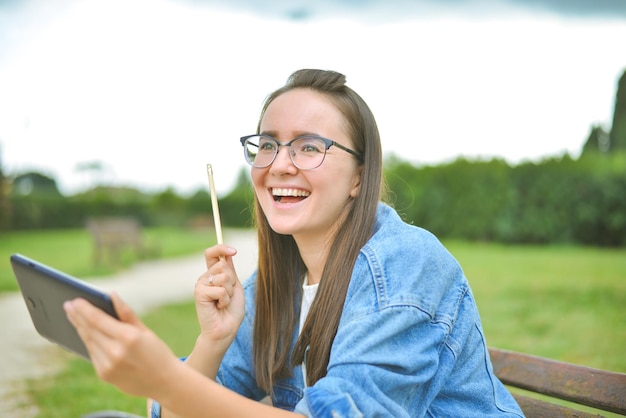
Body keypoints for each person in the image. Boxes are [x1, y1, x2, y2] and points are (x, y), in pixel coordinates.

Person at [64, 69, 524, 417]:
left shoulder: (406, 266)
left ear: (359, 179)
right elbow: (177, 410)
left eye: (309, 146)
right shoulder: (277, 281)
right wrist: (212, 340)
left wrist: (166, 377)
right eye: (268, 144)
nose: (280, 164)